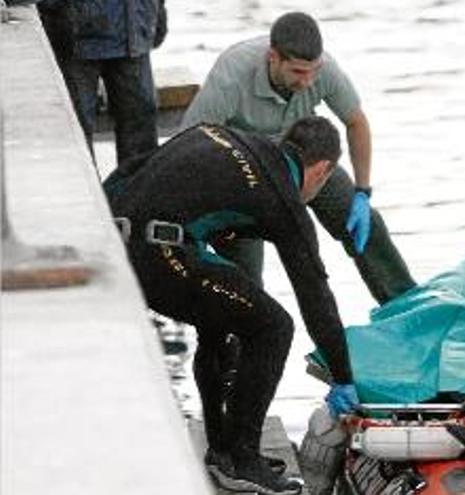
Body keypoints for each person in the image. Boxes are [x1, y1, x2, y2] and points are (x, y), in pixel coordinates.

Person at [103, 116, 360, 495]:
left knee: (221, 312)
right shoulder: (281, 198)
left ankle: (223, 451)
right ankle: (243, 460)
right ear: (322, 170)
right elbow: (315, 297)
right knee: (273, 327)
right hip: (160, 254)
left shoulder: (226, 135)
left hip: (118, 235)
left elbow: (130, 168)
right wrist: (343, 376)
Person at [180, 12, 415, 302]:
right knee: (247, 272)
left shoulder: (324, 69)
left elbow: (356, 123)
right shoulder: (232, 74)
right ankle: (245, 335)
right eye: (298, 72)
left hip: (302, 155)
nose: (307, 81)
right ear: (273, 57)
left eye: (313, 71)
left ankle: (406, 306)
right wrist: (196, 218)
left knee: (368, 228)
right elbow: (189, 144)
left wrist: (363, 191)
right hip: (242, 168)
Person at [37, 0, 166, 165]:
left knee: (141, 132)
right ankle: (80, 190)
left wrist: (159, 9)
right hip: (76, 40)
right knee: (74, 132)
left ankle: (136, 188)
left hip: (135, 30)